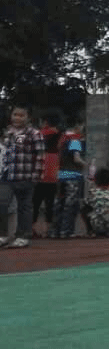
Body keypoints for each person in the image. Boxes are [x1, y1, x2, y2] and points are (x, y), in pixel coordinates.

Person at [3, 105, 40, 248]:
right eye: (15, 114)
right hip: (7, 175)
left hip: (25, 175)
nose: (17, 118)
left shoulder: (34, 133)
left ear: (28, 118)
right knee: (2, 204)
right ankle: (3, 235)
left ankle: (23, 236)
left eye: (21, 115)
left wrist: (36, 175)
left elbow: (40, 156)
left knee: (24, 207)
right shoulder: (8, 133)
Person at [50, 120, 89, 239]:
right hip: (73, 175)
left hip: (61, 175)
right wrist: (86, 164)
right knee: (70, 205)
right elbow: (76, 159)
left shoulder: (63, 139)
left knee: (59, 204)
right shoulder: (75, 140)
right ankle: (66, 231)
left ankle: (55, 231)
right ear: (78, 126)